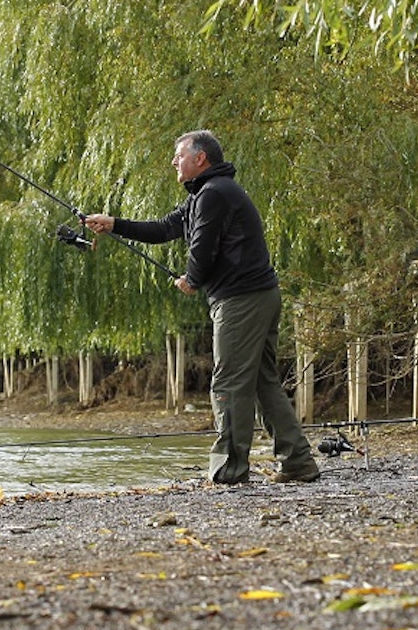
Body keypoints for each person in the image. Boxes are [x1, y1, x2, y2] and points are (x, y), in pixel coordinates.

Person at [84, 130, 321, 485]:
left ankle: (229, 470)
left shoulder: (213, 194)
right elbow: (165, 228)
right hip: (257, 296)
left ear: (200, 159)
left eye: (179, 156)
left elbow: (203, 248)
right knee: (261, 382)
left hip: (242, 301)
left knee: (227, 382)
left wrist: (192, 280)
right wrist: (115, 224)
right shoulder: (206, 194)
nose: (173, 162)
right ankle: (298, 463)